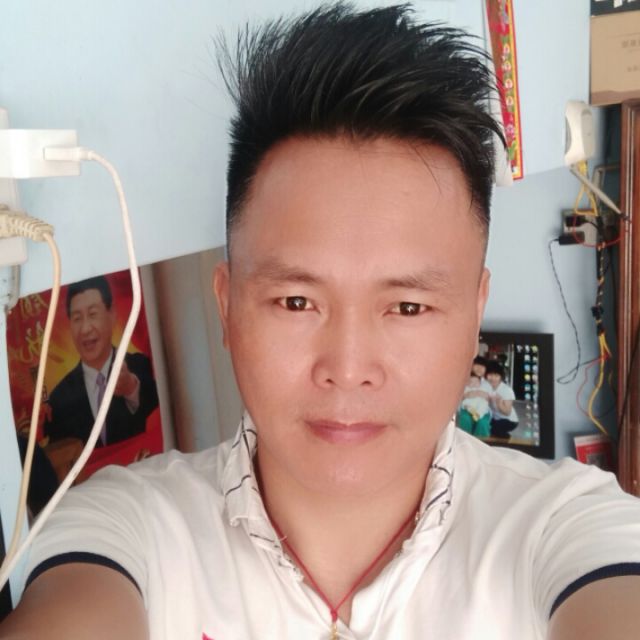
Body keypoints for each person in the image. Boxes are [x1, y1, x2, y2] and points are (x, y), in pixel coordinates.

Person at [2, 4, 640, 639]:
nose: (348, 369)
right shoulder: (125, 528)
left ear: (475, 314)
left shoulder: (565, 526)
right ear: (226, 306)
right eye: (296, 302)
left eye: (408, 307)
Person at [43, 276, 159, 447]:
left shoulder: (141, 365)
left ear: (112, 314)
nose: (85, 329)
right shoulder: (59, 399)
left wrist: (131, 389)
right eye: (77, 318)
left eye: (93, 314)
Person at [485, 360, 519, 439]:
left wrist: (499, 403)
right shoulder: (486, 386)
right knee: (483, 425)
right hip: (495, 418)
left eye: (496, 375)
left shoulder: (506, 390)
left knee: (492, 430)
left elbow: (507, 412)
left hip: (509, 420)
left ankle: (507, 440)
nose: (493, 378)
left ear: (501, 377)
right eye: (490, 375)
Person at [457, 372, 491, 437]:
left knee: (482, 421)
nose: (473, 384)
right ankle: (464, 438)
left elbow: (489, 399)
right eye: (471, 382)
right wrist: (465, 396)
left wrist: (483, 395)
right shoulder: (466, 388)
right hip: (469, 407)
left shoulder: (484, 387)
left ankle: (478, 415)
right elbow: (460, 399)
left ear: (480, 383)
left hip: (480, 405)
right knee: (465, 418)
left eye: (476, 382)